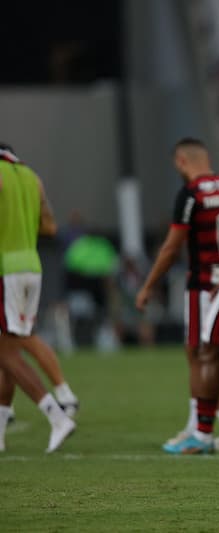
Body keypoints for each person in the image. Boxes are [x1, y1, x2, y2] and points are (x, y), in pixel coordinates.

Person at [136, 138, 219, 453]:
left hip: (204, 285)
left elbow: (171, 247)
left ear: (181, 161)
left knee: (199, 355)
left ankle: (202, 428)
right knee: (213, 355)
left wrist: (148, 285)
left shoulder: (191, 193)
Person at [0, 143, 75, 453]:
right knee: (10, 351)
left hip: (5, 269)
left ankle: (56, 415)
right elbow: (49, 225)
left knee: (5, 353)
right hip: (32, 265)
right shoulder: (32, 178)